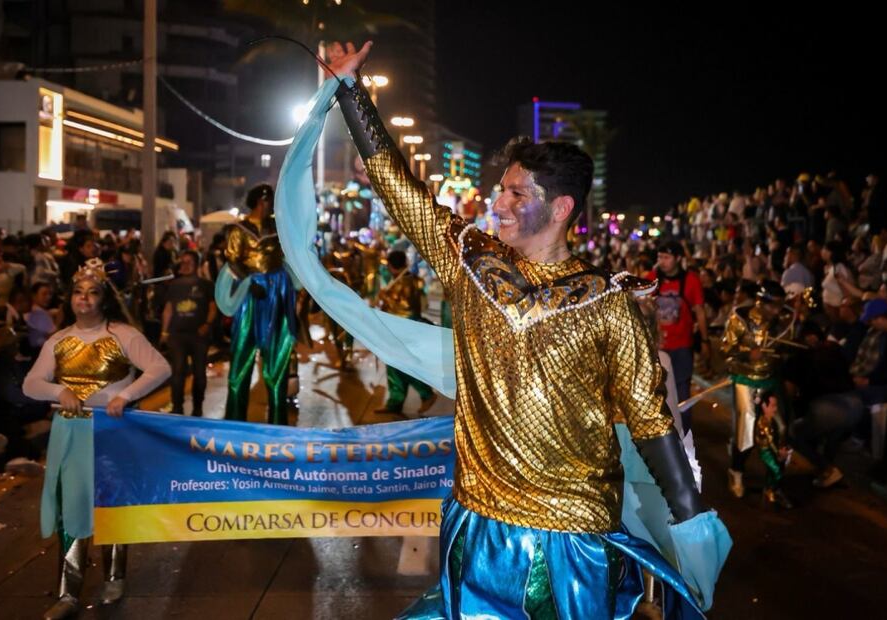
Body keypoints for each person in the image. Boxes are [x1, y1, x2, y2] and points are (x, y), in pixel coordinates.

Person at [302, 41, 727, 618]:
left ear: (560, 210)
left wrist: (692, 525)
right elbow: (400, 190)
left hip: (570, 547)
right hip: (475, 524)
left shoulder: (608, 303)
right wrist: (353, 92)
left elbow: (653, 425)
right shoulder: (473, 262)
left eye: (515, 193)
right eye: (501, 189)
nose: (497, 203)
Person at [22, 258, 170, 619]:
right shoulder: (59, 340)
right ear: (69, 298)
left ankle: (115, 577)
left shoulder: (122, 334)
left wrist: (125, 395)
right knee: (71, 507)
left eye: (92, 293)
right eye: (78, 292)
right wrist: (60, 390)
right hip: (70, 432)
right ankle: (67, 593)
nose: (84, 299)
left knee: (111, 503)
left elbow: (160, 367)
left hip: (112, 431)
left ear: (104, 299)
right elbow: (31, 384)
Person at [216, 185, 298, 424]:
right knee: (242, 356)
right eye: (270, 200)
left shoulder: (278, 226)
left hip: (279, 292)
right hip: (252, 295)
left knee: (278, 360)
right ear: (262, 201)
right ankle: (234, 421)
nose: (272, 205)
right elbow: (232, 261)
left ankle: (278, 423)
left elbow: (289, 256)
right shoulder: (238, 229)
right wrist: (248, 283)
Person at [720, 280, 788, 499]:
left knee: (779, 428)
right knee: (746, 428)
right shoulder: (739, 319)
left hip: (769, 379)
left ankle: (773, 484)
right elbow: (726, 350)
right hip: (745, 379)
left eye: (780, 305)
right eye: (773, 305)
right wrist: (748, 354)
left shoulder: (781, 322)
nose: (777, 310)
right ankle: (736, 471)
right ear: (760, 302)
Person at [648, 239, 709, 430]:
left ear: (679, 258)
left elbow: (699, 311)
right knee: (657, 392)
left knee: (683, 392)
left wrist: (705, 340)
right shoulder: (652, 278)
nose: (662, 261)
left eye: (666, 257)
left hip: (682, 346)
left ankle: (685, 435)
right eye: (660, 257)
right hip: (658, 347)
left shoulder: (691, 280)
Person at [374, 249, 437, 415]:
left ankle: (426, 393)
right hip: (400, 330)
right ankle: (395, 402)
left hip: (403, 330)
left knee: (402, 365)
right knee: (394, 366)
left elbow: (405, 309)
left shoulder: (406, 283)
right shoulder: (407, 279)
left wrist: (385, 297)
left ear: (391, 265)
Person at [162, 250, 216, 416]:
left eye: (189, 262)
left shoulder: (205, 285)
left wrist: (207, 324)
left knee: (199, 373)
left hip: (198, 335)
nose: (184, 265)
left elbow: (213, 307)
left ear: (197, 265)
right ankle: (177, 407)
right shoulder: (174, 285)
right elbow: (169, 309)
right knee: (178, 371)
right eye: (182, 262)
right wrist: (164, 332)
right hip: (177, 334)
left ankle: (197, 407)